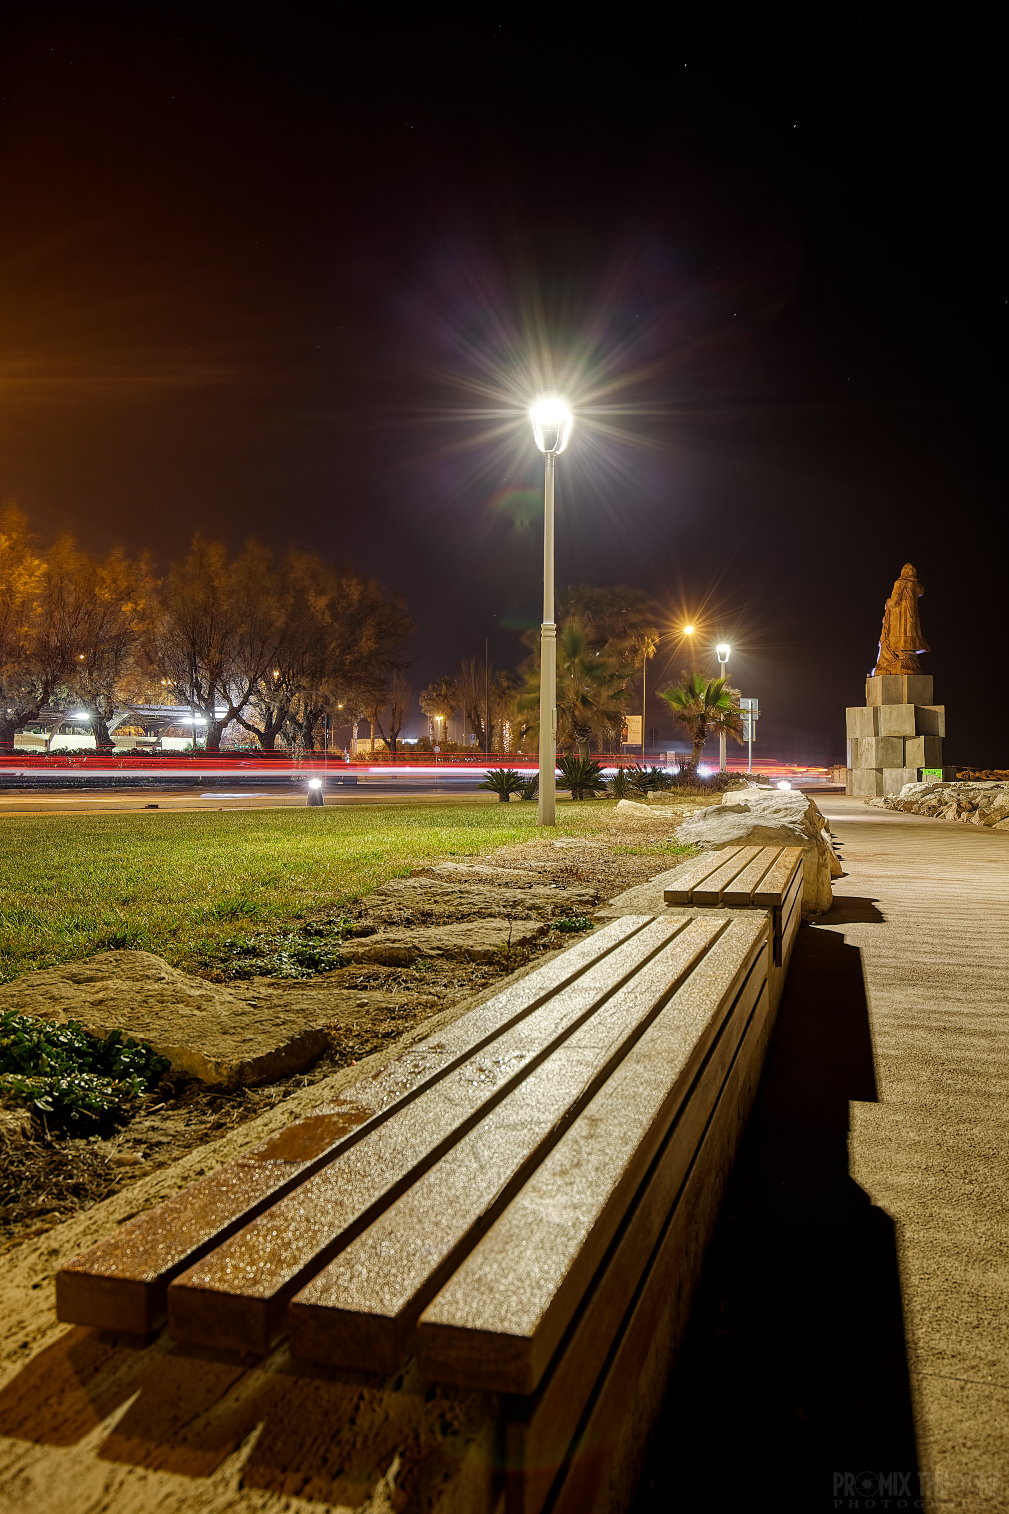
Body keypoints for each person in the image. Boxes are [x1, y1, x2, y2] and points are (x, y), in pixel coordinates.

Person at [872, 563, 929, 675]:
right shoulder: (915, 586)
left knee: (899, 637)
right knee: (909, 635)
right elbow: (922, 590)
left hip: (899, 619)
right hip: (911, 618)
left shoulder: (899, 583)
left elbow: (893, 602)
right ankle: (907, 659)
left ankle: (899, 659)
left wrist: (887, 601)